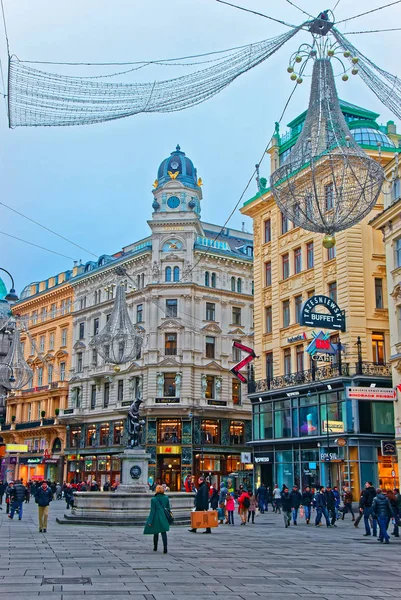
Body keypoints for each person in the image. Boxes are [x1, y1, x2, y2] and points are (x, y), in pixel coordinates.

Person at [144, 484, 171, 553]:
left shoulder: (154, 499)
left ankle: (155, 546)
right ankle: (165, 548)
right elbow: (168, 508)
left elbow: (152, 511)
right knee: (163, 532)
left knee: (155, 532)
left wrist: (150, 521)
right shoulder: (166, 498)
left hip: (156, 517)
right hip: (164, 517)